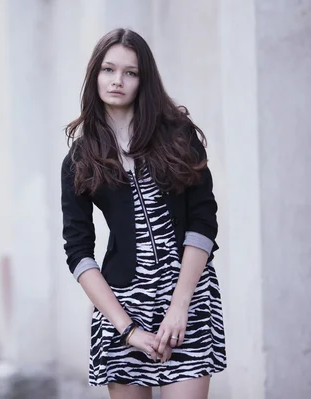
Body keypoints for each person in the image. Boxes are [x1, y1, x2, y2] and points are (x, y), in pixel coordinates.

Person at [60, 28, 227, 399]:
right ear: (95, 75)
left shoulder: (179, 136)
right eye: (108, 69)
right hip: (122, 307)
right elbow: (78, 251)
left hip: (188, 299)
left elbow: (204, 221)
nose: (117, 80)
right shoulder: (80, 159)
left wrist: (180, 306)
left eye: (130, 72)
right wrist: (127, 329)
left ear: (143, 80)